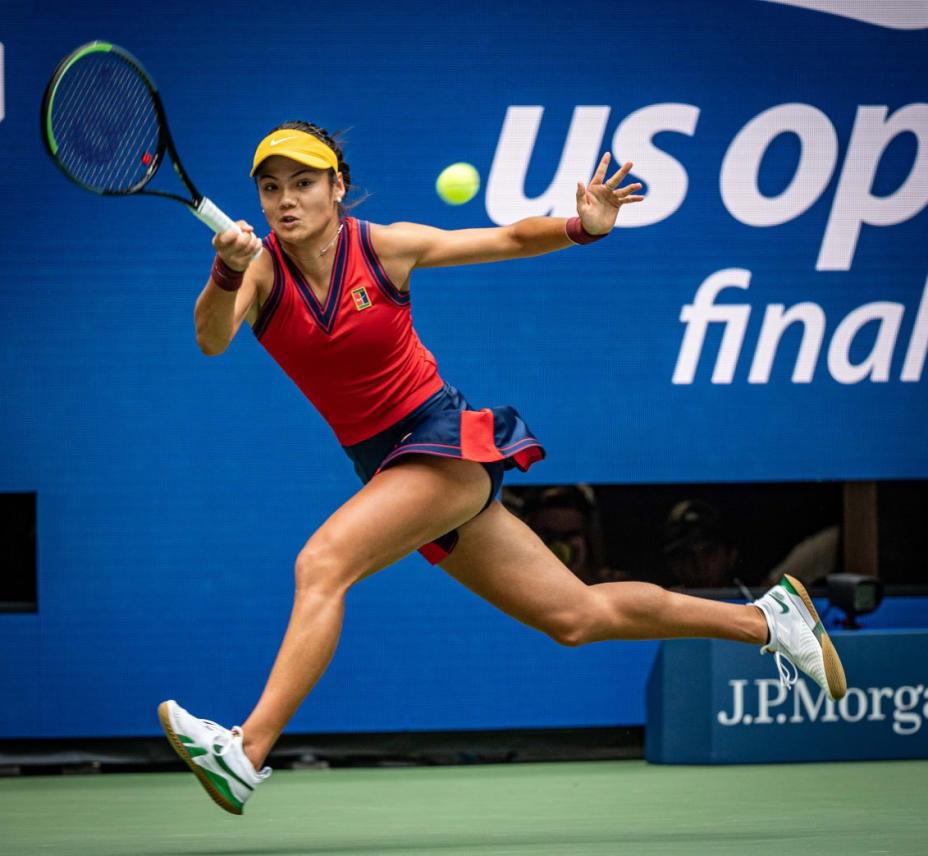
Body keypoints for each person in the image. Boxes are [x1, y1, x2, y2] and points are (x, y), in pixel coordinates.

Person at [158, 122, 847, 815]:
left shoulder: (384, 246)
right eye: (271, 187)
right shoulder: (258, 270)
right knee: (575, 616)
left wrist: (584, 226)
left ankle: (246, 753)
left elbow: (509, 239)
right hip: (392, 470)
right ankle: (769, 621)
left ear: (337, 187)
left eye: (304, 183)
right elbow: (211, 339)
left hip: (441, 445)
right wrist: (225, 271)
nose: (286, 200)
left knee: (323, 563)